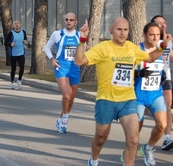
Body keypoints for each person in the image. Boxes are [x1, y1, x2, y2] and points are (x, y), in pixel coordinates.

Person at [74, 17, 171, 166]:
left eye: (125, 30)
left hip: (128, 100)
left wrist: (162, 45)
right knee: (101, 137)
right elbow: (79, 61)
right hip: (106, 99)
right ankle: (93, 160)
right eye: (119, 29)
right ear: (111, 31)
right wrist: (82, 40)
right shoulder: (103, 47)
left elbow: (150, 58)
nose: (122, 33)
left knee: (133, 140)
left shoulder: (132, 48)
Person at [123, 22, 167, 166]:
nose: (155, 38)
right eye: (151, 35)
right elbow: (124, 71)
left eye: (157, 35)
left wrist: (163, 76)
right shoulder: (136, 49)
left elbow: (163, 67)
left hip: (155, 94)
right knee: (135, 132)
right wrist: (138, 73)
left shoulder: (160, 49)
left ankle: (148, 149)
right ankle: (128, 152)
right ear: (144, 34)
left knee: (162, 125)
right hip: (138, 96)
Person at [44, 13, 80, 133]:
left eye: (71, 20)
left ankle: (60, 120)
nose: (68, 21)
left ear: (76, 21)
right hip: (62, 67)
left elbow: (83, 50)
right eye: (66, 19)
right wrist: (52, 59)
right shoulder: (57, 34)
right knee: (67, 95)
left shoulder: (79, 35)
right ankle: (65, 119)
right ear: (64, 21)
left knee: (71, 98)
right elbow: (47, 48)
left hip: (74, 68)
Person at [150, 15, 173, 151]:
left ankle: (166, 138)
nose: (163, 25)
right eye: (159, 23)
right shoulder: (150, 41)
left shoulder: (169, 41)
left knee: (168, 108)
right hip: (151, 77)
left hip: (166, 76)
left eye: (164, 23)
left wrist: (169, 43)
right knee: (149, 110)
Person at [5, 20, 28, 90]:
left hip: (21, 53)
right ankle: (12, 81)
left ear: (20, 25)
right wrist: (10, 44)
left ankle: (19, 80)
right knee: (13, 68)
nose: (17, 25)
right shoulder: (11, 33)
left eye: (18, 23)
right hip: (13, 54)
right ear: (13, 26)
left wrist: (25, 42)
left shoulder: (23, 32)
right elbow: (5, 42)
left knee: (22, 67)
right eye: (15, 24)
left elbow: (25, 40)